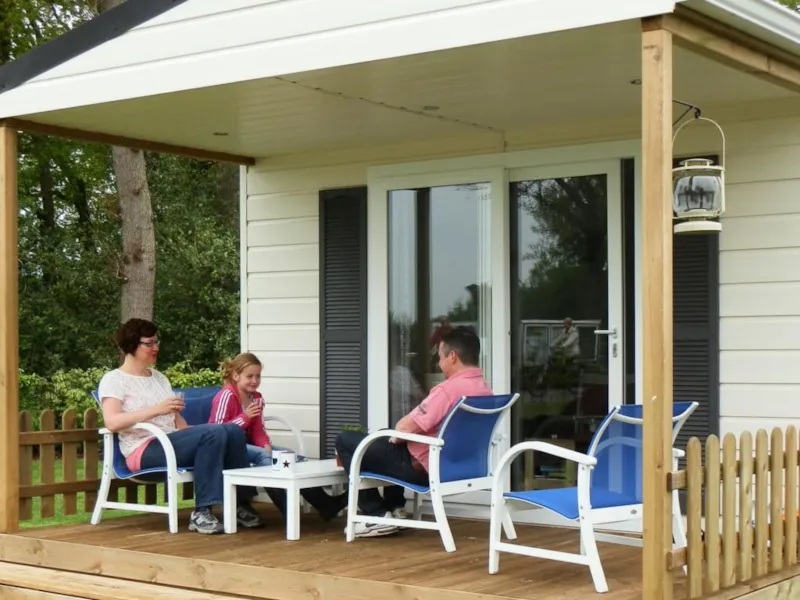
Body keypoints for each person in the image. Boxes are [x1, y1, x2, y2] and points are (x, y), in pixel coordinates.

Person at [97, 318, 262, 535]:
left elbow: (177, 420)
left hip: (171, 442)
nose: (156, 347)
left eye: (157, 341)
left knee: (230, 430)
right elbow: (112, 422)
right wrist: (157, 410)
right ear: (132, 345)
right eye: (149, 343)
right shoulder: (114, 380)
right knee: (215, 431)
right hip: (143, 449)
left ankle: (239, 504)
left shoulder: (159, 378)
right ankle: (201, 513)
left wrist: (193, 431)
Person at [335, 326, 492, 538]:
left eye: (440, 357)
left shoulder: (448, 390)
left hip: (424, 468)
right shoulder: (484, 389)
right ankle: (396, 508)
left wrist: (399, 433)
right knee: (386, 435)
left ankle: (376, 514)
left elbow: (404, 427)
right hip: (458, 467)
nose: (439, 363)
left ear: (452, 357)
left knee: (346, 441)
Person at [208, 352, 347, 521]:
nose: (254, 380)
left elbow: (258, 429)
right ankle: (289, 510)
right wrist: (245, 417)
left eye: (258, 376)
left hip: (249, 445)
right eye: (249, 376)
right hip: (227, 447)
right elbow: (218, 431)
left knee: (289, 456)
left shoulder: (256, 398)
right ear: (236, 376)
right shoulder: (226, 396)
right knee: (265, 458)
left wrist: (265, 444)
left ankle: (325, 505)